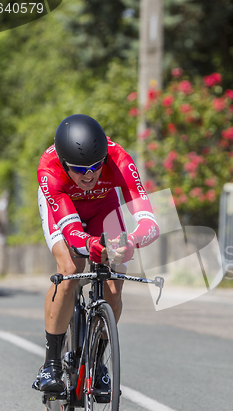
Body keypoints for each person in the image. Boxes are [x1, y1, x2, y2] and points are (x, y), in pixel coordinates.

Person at [33, 114, 159, 392]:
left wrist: (131, 242)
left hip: (103, 206)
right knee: (70, 269)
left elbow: (151, 223)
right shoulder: (49, 169)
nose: (89, 175)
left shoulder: (119, 160)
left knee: (115, 280)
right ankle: (51, 364)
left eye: (96, 166)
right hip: (66, 210)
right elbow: (72, 232)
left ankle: (98, 362)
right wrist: (92, 245)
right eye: (79, 169)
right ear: (65, 164)